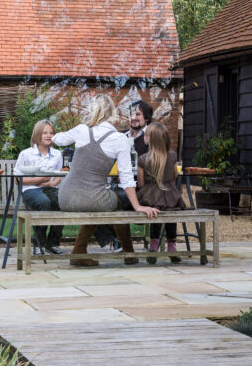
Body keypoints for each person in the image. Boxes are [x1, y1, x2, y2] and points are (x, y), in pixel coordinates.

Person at [53, 94, 159, 266]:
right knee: (114, 201)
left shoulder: (81, 130)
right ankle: (127, 252)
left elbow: (58, 139)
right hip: (92, 197)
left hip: (64, 197)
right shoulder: (119, 139)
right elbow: (126, 178)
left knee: (98, 202)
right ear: (112, 113)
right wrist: (137, 205)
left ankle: (80, 251)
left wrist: (58, 134)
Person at [14, 120, 65, 255]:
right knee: (43, 202)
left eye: (51, 133)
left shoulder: (57, 154)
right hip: (30, 190)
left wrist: (52, 183)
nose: (49, 135)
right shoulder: (26, 154)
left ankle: (53, 243)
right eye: (45, 133)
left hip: (49, 188)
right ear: (37, 135)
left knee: (63, 202)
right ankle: (39, 243)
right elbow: (17, 180)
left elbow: (59, 174)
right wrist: (38, 180)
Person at [136, 122, 185, 263]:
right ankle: (171, 246)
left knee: (154, 212)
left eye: (145, 135)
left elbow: (141, 183)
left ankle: (153, 245)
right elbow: (174, 175)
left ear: (149, 139)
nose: (144, 136)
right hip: (170, 195)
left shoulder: (143, 159)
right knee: (171, 215)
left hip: (150, 195)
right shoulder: (172, 156)